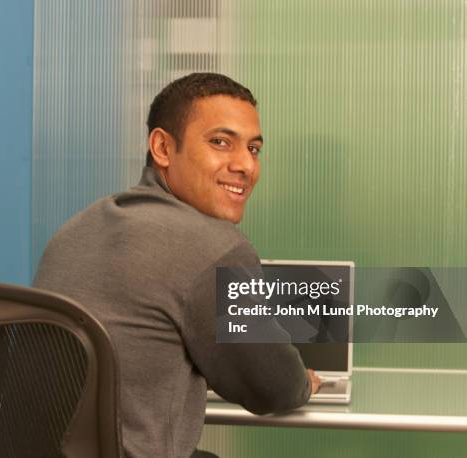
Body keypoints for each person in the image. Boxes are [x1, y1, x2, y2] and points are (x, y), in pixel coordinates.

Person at [34, 72, 320, 458]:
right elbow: (274, 389)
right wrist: (304, 381)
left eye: (253, 149)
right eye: (220, 142)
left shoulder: (77, 228)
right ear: (163, 148)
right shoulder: (215, 250)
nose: (245, 167)